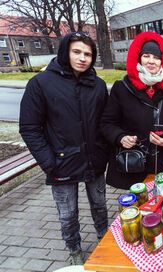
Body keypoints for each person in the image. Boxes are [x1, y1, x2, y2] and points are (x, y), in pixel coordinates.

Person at [19, 32, 109, 265]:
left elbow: (106, 121)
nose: (82, 58)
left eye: (88, 54)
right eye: (77, 52)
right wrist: (48, 162)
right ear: (65, 52)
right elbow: (30, 128)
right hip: (60, 162)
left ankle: (104, 238)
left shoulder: (97, 85)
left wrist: (104, 150)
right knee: (68, 214)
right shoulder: (41, 84)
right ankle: (74, 250)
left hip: (94, 159)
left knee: (99, 205)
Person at [100, 31, 163, 189]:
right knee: (137, 206)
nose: (151, 61)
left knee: (162, 205)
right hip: (133, 162)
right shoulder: (122, 88)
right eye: (147, 56)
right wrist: (121, 137)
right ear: (138, 58)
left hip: (160, 162)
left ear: (162, 62)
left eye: (156, 58)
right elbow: (107, 123)